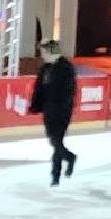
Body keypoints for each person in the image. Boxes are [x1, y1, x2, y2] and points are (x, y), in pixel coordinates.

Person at [29, 40, 77, 186]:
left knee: (57, 142)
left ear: (50, 51)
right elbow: (39, 89)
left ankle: (55, 175)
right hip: (48, 110)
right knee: (53, 141)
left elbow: (69, 91)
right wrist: (35, 106)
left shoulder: (66, 68)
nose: (41, 55)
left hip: (62, 111)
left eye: (43, 51)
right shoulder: (45, 69)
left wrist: (61, 107)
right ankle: (69, 157)